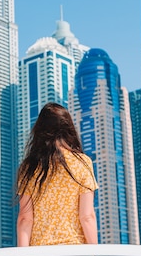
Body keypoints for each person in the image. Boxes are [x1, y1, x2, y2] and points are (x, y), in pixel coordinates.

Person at [15, 102, 98, 246]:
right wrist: (96, 253)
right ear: (69, 129)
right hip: (74, 252)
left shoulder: (29, 167)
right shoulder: (82, 163)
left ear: (39, 131)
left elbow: (25, 219)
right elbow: (87, 216)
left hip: (41, 254)